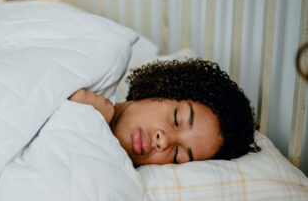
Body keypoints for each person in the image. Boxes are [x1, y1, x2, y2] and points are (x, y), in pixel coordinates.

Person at [69, 59, 260, 166]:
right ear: (162, 91)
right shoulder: (87, 73)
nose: (164, 141)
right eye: (177, 119)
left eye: (178, 155)